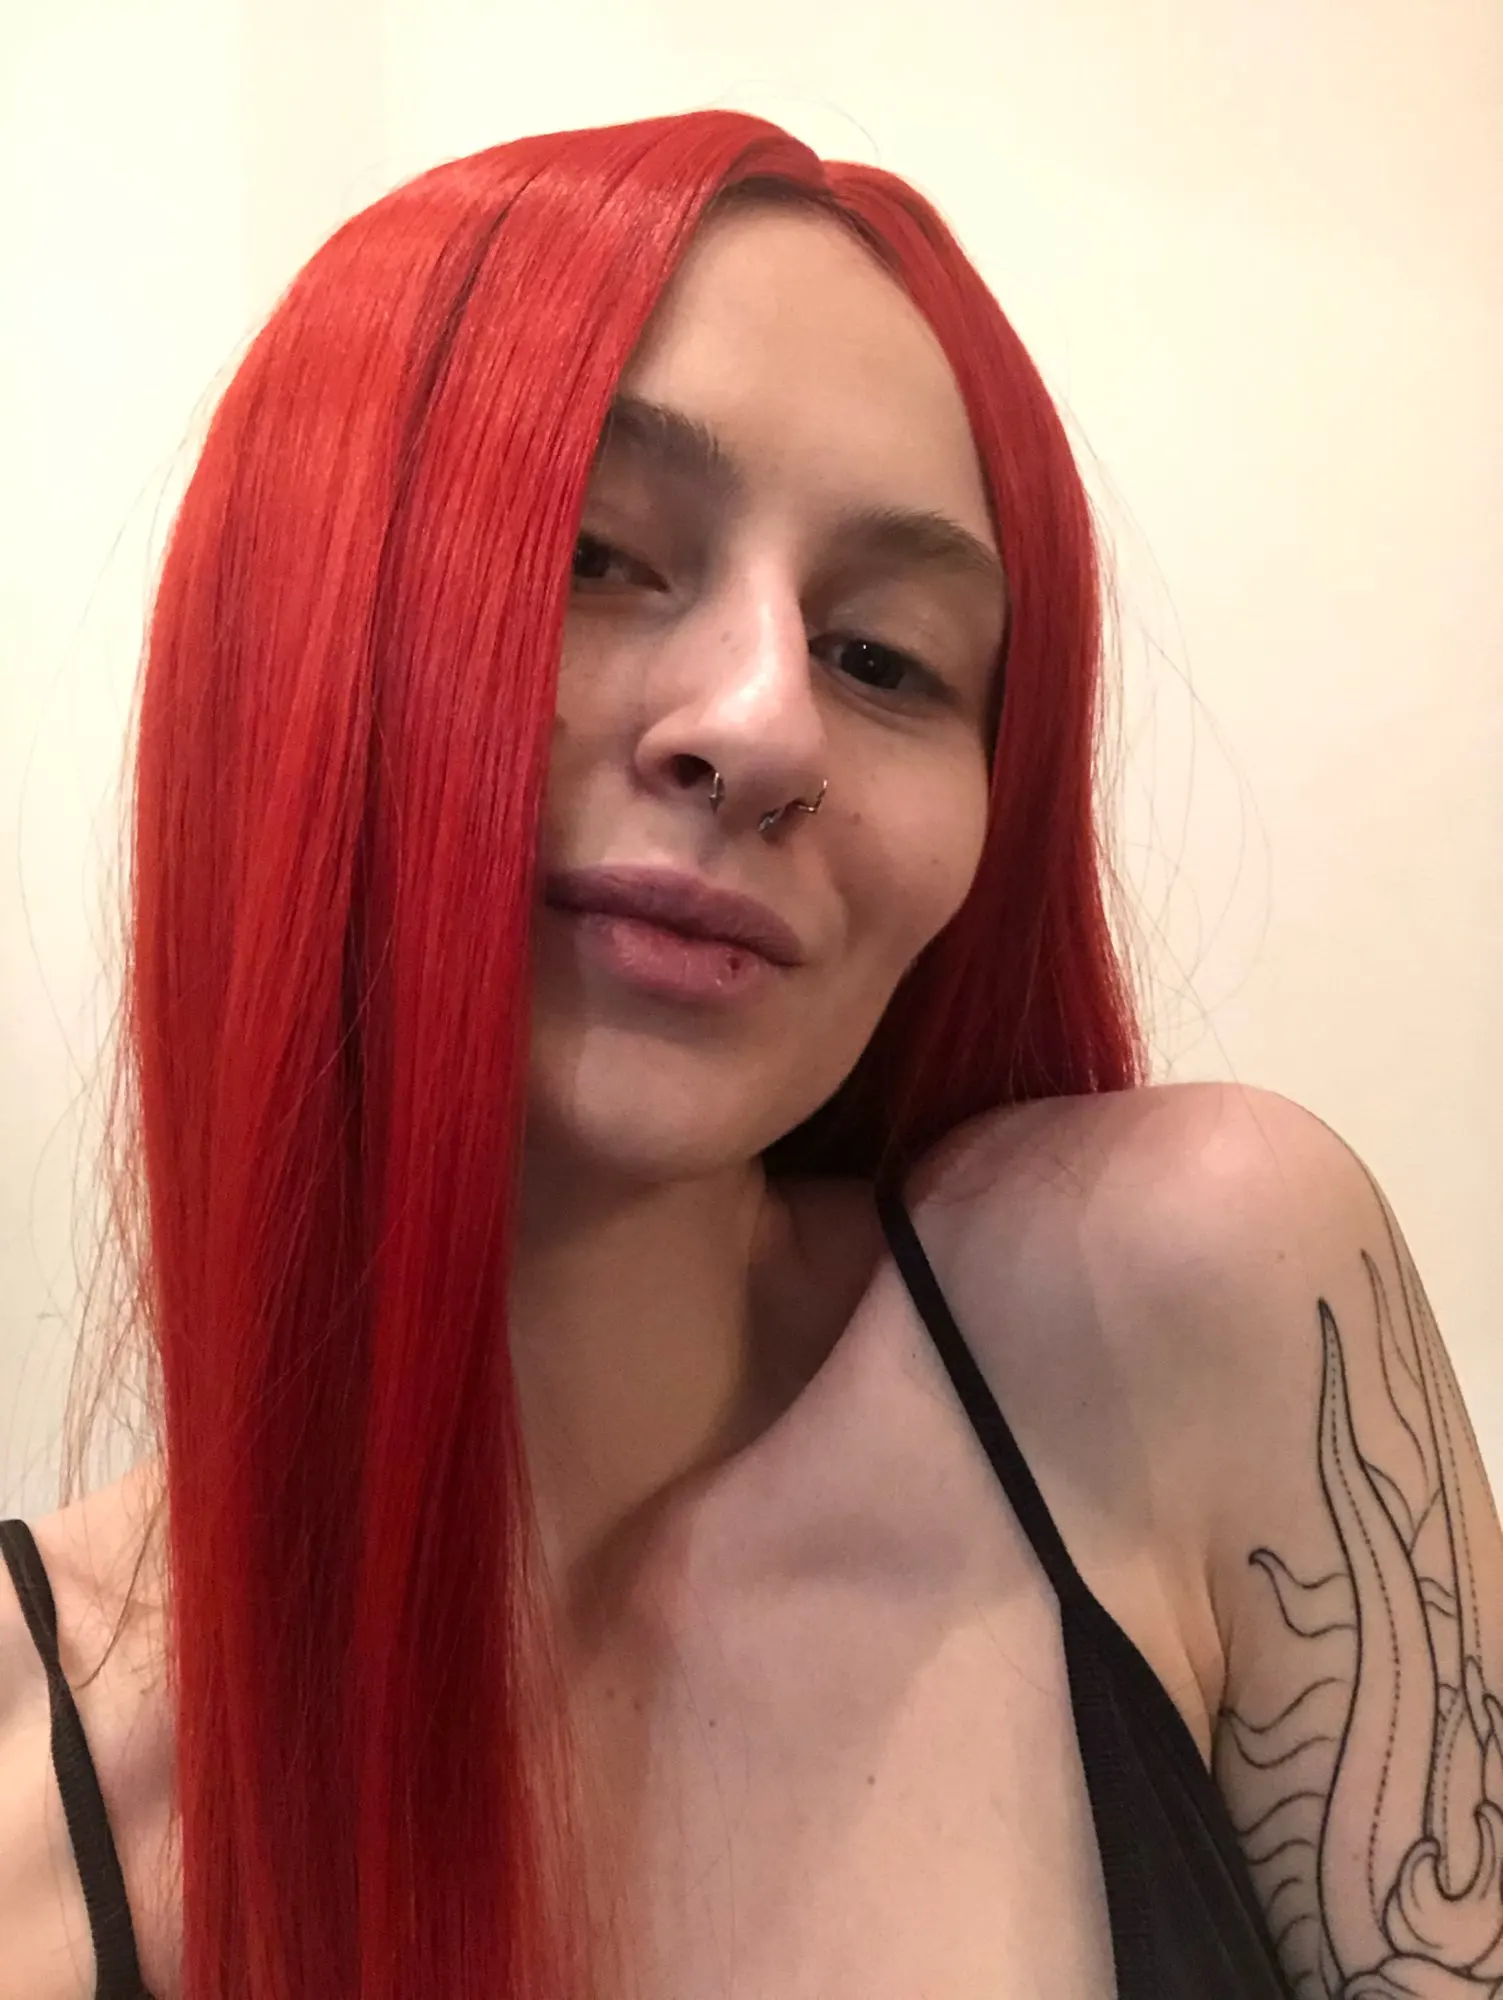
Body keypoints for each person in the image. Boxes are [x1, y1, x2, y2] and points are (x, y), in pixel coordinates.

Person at [0, 107, 1497, 2000]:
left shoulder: (1179, 1312)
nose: (770, 725)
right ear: (283, 637)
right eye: (595, 552)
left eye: (886, 659)